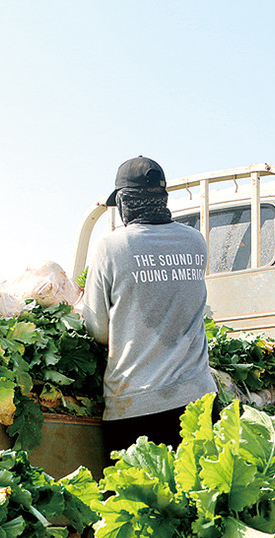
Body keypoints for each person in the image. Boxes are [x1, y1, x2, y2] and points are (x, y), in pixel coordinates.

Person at [81, 156, 216, 456]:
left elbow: (98, 329)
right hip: (197, 401)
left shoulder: (111, 246)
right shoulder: (196, 242)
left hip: (135, 405)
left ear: (126, 201)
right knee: (198, 498)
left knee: (134, 500)